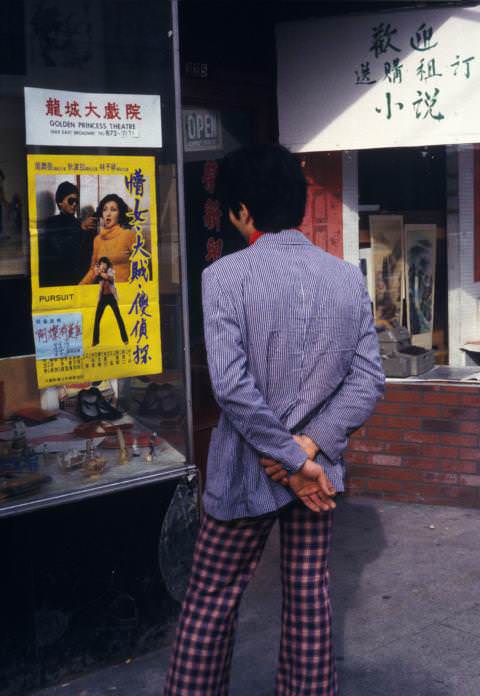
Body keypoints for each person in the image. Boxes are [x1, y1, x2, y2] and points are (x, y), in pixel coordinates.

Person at [163, 144, 385, 696]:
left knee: (211, 600)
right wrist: (309, 450)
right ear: (302, 204)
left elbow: (232, 387)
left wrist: (287, 459)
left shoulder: (224, 278)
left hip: (244, 473)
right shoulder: (344, 278)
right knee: (309, 595)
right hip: (318, 477)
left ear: (240, 210)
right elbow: (367, 382)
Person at [38, 181, 96, 287]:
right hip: (59, 281)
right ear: (60, 202)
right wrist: (82, 229)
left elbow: (88, 254)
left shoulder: (79, 223)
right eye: (71, 200)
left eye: (76, 201)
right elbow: (62, 250)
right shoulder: (51, 223)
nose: (74, 204)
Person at [80, 194, 135, 285]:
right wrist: (78, 288)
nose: (108, 214)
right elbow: (93, 270)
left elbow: (142, 268)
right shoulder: (97, 240)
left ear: (119, 214)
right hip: (103, 294)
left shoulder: (128, 235)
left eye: (113, 210)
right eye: (105, 209)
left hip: (124, 294)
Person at [91, 256, 128, 346]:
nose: (103, 265)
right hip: (102, 297)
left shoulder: (111, 271)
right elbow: (93, 281)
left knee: (118, 317)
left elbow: (109, 278)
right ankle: (95, 341)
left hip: (111, 297)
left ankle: (125, 339)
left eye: (104, 264)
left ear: (107, 265)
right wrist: (97, 273)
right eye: (101, 264)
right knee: (97, 319)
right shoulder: (99, 273)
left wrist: (99, 272)